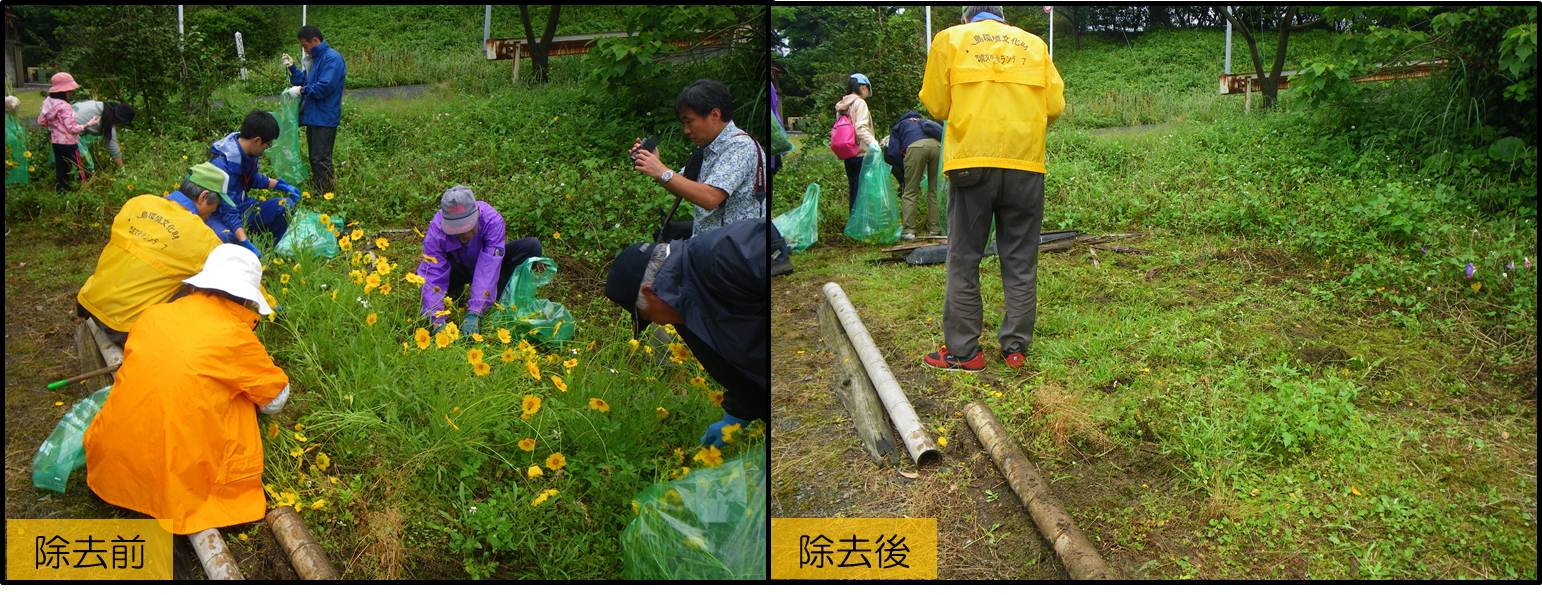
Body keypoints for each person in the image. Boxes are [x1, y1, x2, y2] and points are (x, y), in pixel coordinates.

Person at [83, 243, 289, 535]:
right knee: (241, 398)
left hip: (111, 467)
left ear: (201, 284)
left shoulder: (154, 315)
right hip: (177, 488)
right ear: (247, 300)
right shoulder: (235, 337)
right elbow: (276, 399)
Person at [919, 6, 1065, 372]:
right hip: (1025, 165)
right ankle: (1015, 349)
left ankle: (965, 353)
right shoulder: (1034, 44)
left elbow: (936, 104)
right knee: (1020, 261)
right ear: (1001, 16)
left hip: (971, 162)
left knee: (964, 258)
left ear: (968, 16)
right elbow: (1054, 106)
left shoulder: (950, 39)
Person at [604, 219, 768, 447]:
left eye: (648, 317)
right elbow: (735, 369)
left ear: (651, 292)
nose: (659, 324)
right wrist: (738, 413)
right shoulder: (681, 312)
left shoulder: (720, 252)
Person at [76, 163, 229, 347]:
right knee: (197, 293)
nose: (213, 212)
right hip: (122, 326)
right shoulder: (201, 237)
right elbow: (235, 273)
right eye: (216, 206)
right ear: (204, 197)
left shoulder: (139, 202)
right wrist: (268, 304)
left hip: (89, 301)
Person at [630, 79, 766, 238]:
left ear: (715, 115)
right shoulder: (708, 147)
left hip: (734, 252)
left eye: (689, 122)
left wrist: (661, 171)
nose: (686, 130)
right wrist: (654, 166)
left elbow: (710, 198)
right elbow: (681, 184)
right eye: (683, 123)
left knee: (635, 257)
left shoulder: (740, 146)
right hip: (708, 246)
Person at [416, 186, 543, 336]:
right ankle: (454, 293)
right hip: (457, 269)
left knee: (531, 247)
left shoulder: (491, 220)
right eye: (456, 231)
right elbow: (432, 271)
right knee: (430, 290)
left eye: (467, 228)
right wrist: (436, 318)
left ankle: (501, 299)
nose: (463, 236)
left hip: (489, 268)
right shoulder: (437, 229)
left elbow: (489, 265)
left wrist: (475, 311)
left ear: (476, 214)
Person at [208, 110, 304, 255]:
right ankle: (248, 248)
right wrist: (243, 239)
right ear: (257, 140)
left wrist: (279, 184)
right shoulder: (222, 165)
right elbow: (228, 210)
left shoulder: (248, 152)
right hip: (220, 213)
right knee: (226, 238)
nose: (267, 149)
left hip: (243, 206)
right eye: (268, 145)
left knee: (285, 207)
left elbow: (251, 178)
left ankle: (265, 250)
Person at [281, 25, 346, 194]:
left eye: (305, 45)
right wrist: (292, 68)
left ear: (315, 41)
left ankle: (326, 193)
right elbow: (303, 80)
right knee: (315, 157)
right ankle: (321, 188)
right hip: (314, 115)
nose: (304, 49)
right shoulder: (314, 59)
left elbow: (324, 88)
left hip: (324, 116)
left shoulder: (332, 59)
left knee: (321, 158)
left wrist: (301, 90)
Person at [885, 110, 945, 240]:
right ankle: (934, 229)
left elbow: (893, 152)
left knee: (910, 191)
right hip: (937, 147)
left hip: (915, 148)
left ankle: (909, 231)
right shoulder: (924, 122)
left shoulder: (900, 125)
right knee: (933, 191)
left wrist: (903, 170)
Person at [37, 72, 97, 193]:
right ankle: (85, 189)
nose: (71, 92)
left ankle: (61, 190)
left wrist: (55, 125)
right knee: (79, 166)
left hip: (56, 142)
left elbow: (41, 121)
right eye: (69, 90)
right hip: (69, 142)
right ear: (64, 91)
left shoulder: (48, 101)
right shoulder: (65, 106)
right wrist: (88, 124)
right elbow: (72, 129)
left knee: (61, 167)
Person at [835, 73, 879, 212]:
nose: (866, 91)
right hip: (861, 153)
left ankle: (853, 221)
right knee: (863, 190)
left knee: (854, 187)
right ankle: (861, 225)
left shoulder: (843, 105)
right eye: (866, 88)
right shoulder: (860, 103)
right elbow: (860, 128)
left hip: (848, 153)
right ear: (862, 87)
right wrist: (874, 144)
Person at [73, 99, 135, 168]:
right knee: (78, 164)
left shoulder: (102, 106)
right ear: (119, 120)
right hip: (68, 130)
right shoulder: (107, 119)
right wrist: (122, 169)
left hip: (65, 119)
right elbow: (113, 148)